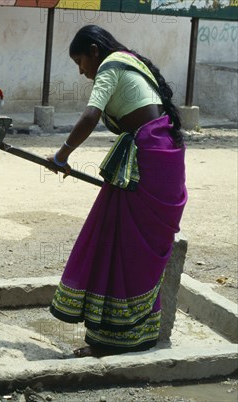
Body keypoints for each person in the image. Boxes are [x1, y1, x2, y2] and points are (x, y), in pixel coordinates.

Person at [47, 25, 188, 357]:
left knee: (121, 244)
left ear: (95, 51)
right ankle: (124, 335)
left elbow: (91, 115)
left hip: (147, 164)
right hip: (162, 157)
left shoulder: (110, 65)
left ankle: (112, 342)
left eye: (80, 61)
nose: (82, 71)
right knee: (122, 240)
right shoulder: (132, 62)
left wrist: (61, 155)